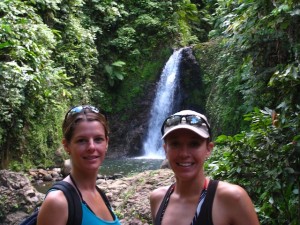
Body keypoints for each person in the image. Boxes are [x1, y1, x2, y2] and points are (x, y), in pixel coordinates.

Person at [150, 110, 260, 225]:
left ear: (209, 149)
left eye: (194, 144)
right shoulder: (158, 198)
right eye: (175, 144)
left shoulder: (232, 198)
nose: (184, 154)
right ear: (165, 150)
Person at [37, 105, 121, 225]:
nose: (91, 147)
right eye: (82, 140)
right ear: (66, 145)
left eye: (98, 139)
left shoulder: (99, 194)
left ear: (106, 142)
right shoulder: (58, 202)